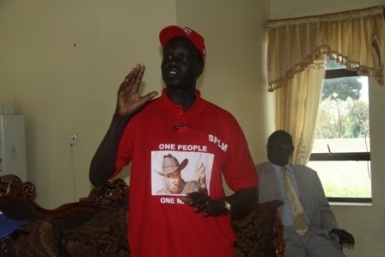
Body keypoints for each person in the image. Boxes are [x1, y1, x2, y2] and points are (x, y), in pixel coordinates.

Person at [89, 25, 259, 257]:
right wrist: (119, 119)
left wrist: (221, 205)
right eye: (168, 56)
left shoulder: (224, 122)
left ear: (199, 67)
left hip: (211, 249)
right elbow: (97, 176)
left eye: (182, 57)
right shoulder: (139, 119)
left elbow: (250, 191)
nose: (172, 62)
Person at [256, 130, 355, 257]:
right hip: (283, 236)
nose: (274, 150)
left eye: (280, 147)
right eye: (270, 147)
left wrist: (333, 229)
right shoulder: (256, 174)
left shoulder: (309, 174)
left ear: (291, 149)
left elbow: (323, 208)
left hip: (313, 233)